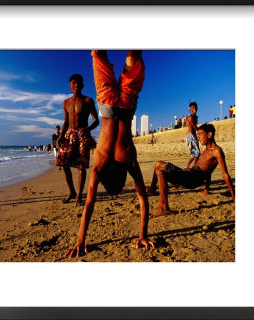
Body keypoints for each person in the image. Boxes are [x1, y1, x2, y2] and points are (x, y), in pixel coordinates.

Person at [65, 50, 155, 258]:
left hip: (127, 106)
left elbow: (143, 198)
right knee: (98, 55)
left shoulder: (129, 161)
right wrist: (81, 240)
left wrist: (143, 234)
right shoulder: (99, 165)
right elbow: (88, 204)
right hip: (107, 104)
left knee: (133, 58)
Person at [147, 123, 235, 217]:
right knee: (158, 164)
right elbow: (209, 171)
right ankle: (152, 188)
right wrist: (206, 189)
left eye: (200, 134)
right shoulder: (206, 150)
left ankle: (164, 207)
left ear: (209, 135)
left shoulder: (217, 151)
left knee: (161, 173)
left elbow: (225, 174)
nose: (199, 137)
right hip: (189, 173)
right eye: (198, 135)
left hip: (193, 179)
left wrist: (234, 197)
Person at [55, 74, 99, 206]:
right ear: (70, 85)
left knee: (81, 166)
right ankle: (72, 192)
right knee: (62, 162)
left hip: (82, 135)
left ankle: (79, 196)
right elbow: (66, 121)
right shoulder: (66, 102)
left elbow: (96, 120)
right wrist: (61, 136)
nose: (76, 85)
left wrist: (87, 129)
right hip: (69, 135)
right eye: (74, 83)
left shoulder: (87, 101)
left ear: (83, 85)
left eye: (79, 83)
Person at [182, 101, 200, 168]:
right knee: (196, 153)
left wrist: (184, 138)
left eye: (195, 108)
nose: (194, 109)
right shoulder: (190, 117)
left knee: (196, 154)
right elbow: (194, 127)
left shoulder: (196, 117)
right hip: (191, 136)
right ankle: (187, 166)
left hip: (193, 136)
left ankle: (195, 167)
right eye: (192, 108)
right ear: (190, 109)